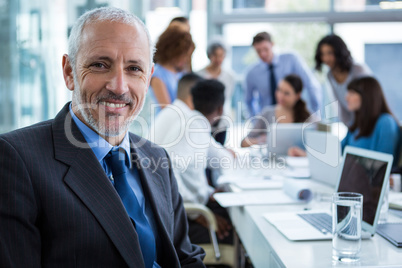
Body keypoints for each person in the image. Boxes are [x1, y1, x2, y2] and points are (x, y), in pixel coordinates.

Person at [0, 7, 205, 267]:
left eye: (133, 68)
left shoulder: (156, 157)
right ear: (69, 72)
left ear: (149, 76)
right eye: (100, 65)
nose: (119, 86)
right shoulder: (17, 159)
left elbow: (184, 257)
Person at [152, 76, 234, 244]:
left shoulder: (195, 123)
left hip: (181, 209)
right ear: (220, 109)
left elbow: (222, 158)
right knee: (240, 234)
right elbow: (168, 171)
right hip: (182, 218)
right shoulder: (192, 127)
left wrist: (209, 192)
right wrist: (197, 214)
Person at [245, 31, 322, 117]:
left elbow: (311, 85)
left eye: (265, 49)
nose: (263, 54)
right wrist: (257, 122)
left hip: (294, 117)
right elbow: (248, 101)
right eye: (258, 51)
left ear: (272, 44)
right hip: (268, 120)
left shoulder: (291, 59)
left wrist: (314, 114)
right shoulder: (251, 73)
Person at [241, 74, 313, 148]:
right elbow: (244, 143)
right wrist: (261, 141)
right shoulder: (267, 113)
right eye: (279, 90)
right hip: (272, 158)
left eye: (286, 93)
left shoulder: (308, 117)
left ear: (297, 96)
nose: (280, 96)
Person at [315, 34, 372, 126]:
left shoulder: (358, 70)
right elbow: (338, 106)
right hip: (353, 125)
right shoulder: (330, 75)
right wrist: (350, 127)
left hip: (368, 122)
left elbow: (371, 100)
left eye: (330, 53)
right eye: (323, 54)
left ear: (339, 52)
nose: (326, 58)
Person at [341, 76, 399, 159]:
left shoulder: (386, 122)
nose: (346, 97)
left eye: (352, 93)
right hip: (351, 170)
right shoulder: (356, 124)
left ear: (366, 96)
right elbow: (339, 151)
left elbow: (383, 163)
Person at [150, 26, 195, 109]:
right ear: (172, 51)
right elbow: (166, 109)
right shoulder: (158, 74)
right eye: (183, 54)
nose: (186, 59)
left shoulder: (181, 72)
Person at [197, 40, 236, 119]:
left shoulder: (229, 77)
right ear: (209, 55)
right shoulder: (199, 75)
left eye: (221, 55)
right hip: (202, 118)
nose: (218, 59)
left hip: (222, 120)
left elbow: (227, 97)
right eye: (215, 55)